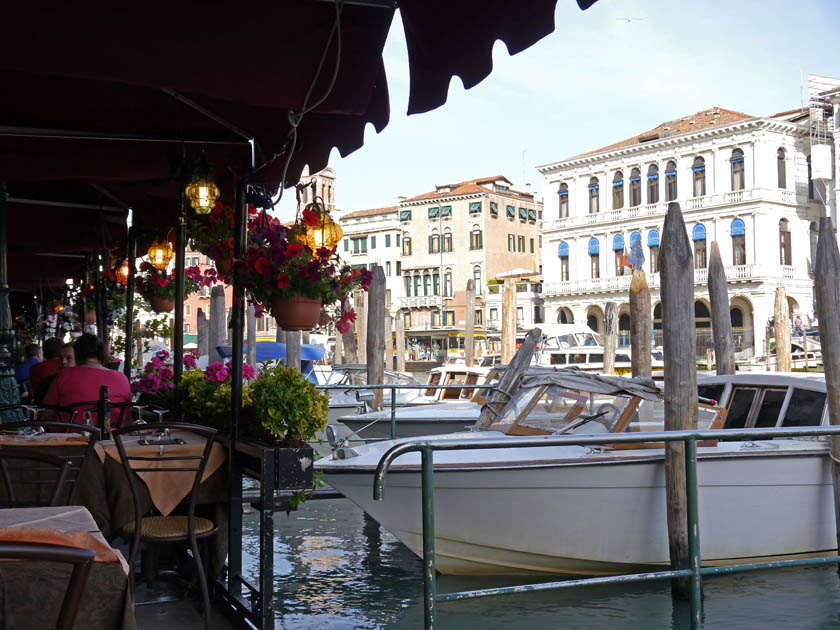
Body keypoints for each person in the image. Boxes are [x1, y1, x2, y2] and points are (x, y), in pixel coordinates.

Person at [43, 333, 131, 428]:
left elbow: (47, 413)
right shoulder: (121, 378)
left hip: (69, 438)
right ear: (102, 354)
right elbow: (127, 416)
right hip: (112, 439)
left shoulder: (64, 375)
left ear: (76, 354)